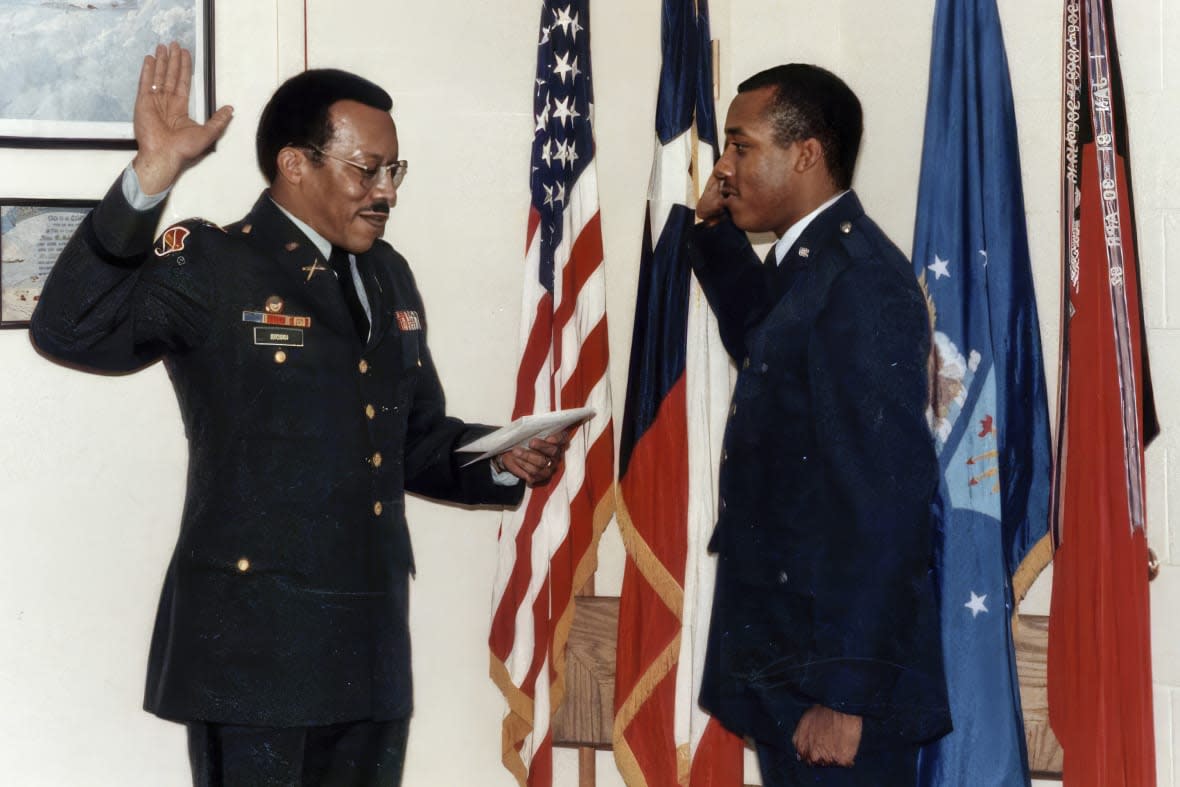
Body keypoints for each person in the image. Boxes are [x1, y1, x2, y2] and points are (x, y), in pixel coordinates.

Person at [30, 43, 566, 786]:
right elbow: (69, 329)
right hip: (255, 651)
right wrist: (152, 176)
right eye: (365, 169)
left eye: (393, 170)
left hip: (370, 645)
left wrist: (496, 458)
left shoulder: (388, 273)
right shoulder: (214, 263)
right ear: (295, 164)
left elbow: (409, 439)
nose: (386, 191)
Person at [689, 64, 951, 785]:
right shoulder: (809, 265)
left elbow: (884, 505)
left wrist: (844, 693)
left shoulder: (861, 282)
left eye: (741, 147)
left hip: (835, 688)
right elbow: (763, 343)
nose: (724, 167)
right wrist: (711, 230)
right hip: (791, 666)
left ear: (805, 153)